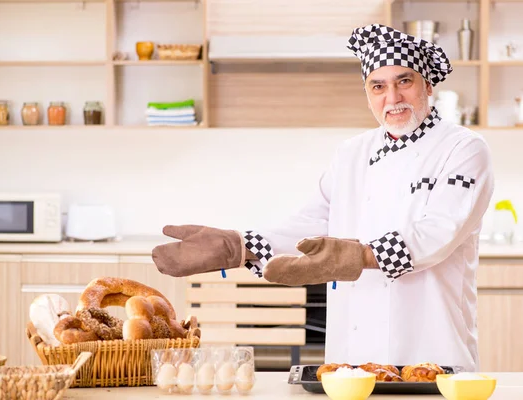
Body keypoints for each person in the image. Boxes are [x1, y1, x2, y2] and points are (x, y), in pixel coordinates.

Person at [151, 24, 494, 372]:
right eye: (378, 86)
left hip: (431, 346)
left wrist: (355, 256)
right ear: (367, 93)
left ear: (427, 84)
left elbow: (435, 234)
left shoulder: (462, 149)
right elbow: (311, 224)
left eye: (403, 81)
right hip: (354, 353)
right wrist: (239, 246)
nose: (392, 98)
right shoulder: (351, 153)